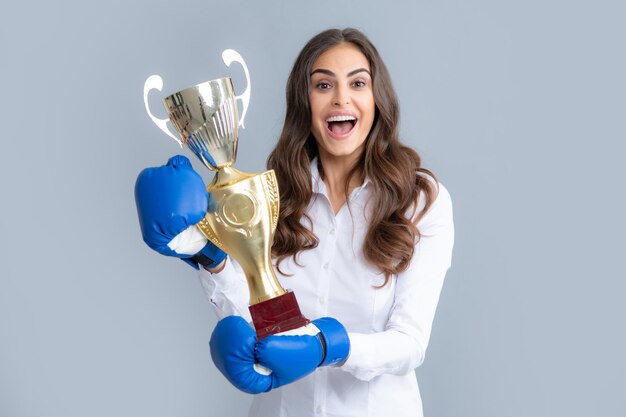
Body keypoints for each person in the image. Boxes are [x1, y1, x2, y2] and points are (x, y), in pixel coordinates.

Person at [135, 28, 454, 417]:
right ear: (305, 101)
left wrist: (328, 346)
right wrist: (208, 254)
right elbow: (256, 321)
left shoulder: (420, 200)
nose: (341, 98)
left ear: (377, 98)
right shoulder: (272, 196)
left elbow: (409, 343)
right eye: (323, 84)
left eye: (357, 82)